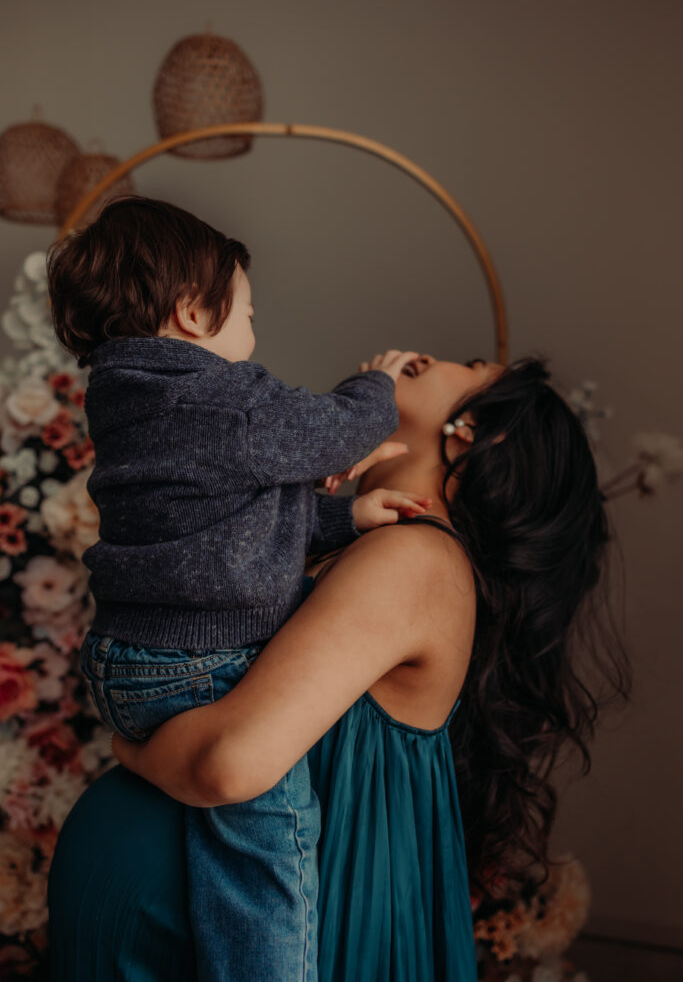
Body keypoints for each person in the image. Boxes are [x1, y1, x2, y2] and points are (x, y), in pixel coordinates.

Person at [48, 353, 631, 982]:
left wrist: (130, 751)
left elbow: (230, 763)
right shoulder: (371, 540)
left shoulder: (415, 560)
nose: (431, 355)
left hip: (202, 944)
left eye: (472, 365)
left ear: (484, 432)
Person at [46, 196, 432, 982]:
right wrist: (374, 386)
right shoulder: (217, 396)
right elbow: (332, 429)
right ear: (193, 312)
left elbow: (220, 525)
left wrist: (345, 516)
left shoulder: (128, 400)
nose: (251, 333)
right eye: (246, 311)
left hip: (128, 663)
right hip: (202, 665)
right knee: (266, 865)